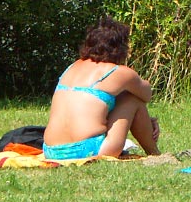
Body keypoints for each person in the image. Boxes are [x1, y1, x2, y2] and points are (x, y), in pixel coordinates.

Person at [43, 16, 161, 160]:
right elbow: (146, 94)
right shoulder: (118, 72)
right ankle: (155, 154)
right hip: (89, 149)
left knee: (115, 97)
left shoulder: (72, 67)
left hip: (51, 151)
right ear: (120, 47)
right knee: (132, 99)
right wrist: (147, 120)